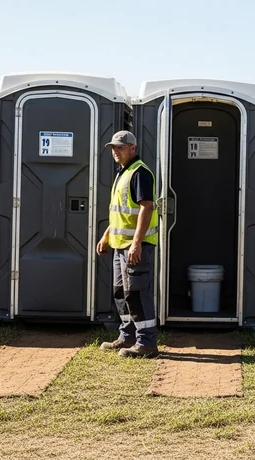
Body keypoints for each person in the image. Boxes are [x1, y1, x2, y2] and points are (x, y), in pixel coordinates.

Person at [97, 130, 160, 359]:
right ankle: (127, 336)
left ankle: (147, 344)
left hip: (135, 247)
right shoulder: (122, 173)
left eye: (120, 147)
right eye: (113, 148)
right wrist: (106, 236)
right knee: (120, 293)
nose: (115, 151)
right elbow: (120, 214)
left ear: (133, 148)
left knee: (137, 293)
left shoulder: (140, 172)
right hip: (119, 245)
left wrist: (136, 244)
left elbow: (146, 207)